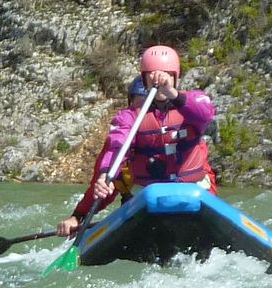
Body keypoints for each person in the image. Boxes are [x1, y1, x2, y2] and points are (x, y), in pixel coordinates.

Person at [57, 45, 216, 237]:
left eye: (165, 75)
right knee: (120, 178)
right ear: (144, 80)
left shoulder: (192, 103)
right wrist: (104, 175)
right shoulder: (129, 117)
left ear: (175, 77)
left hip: (194, 193)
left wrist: (171, 92)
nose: (158, 80)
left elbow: (205, 114)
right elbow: (116, 147)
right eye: (152, 76)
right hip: (152, 200)